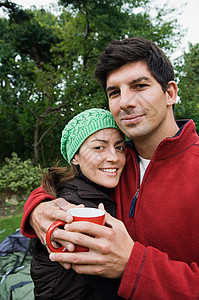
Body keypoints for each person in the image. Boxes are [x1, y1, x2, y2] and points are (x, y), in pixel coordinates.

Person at [21, 37, 199, 299]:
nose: (124, 102)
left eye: (139, 86)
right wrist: (38, 207)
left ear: (170, 93)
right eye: (114, 92)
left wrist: (133, 265)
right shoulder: (116, 163)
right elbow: (68, 185)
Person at [27, 108, 126, 299]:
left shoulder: (98, 190)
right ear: (75, 158)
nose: (114, 156)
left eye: (119, 147)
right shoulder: (76, 208)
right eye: (99, 147)